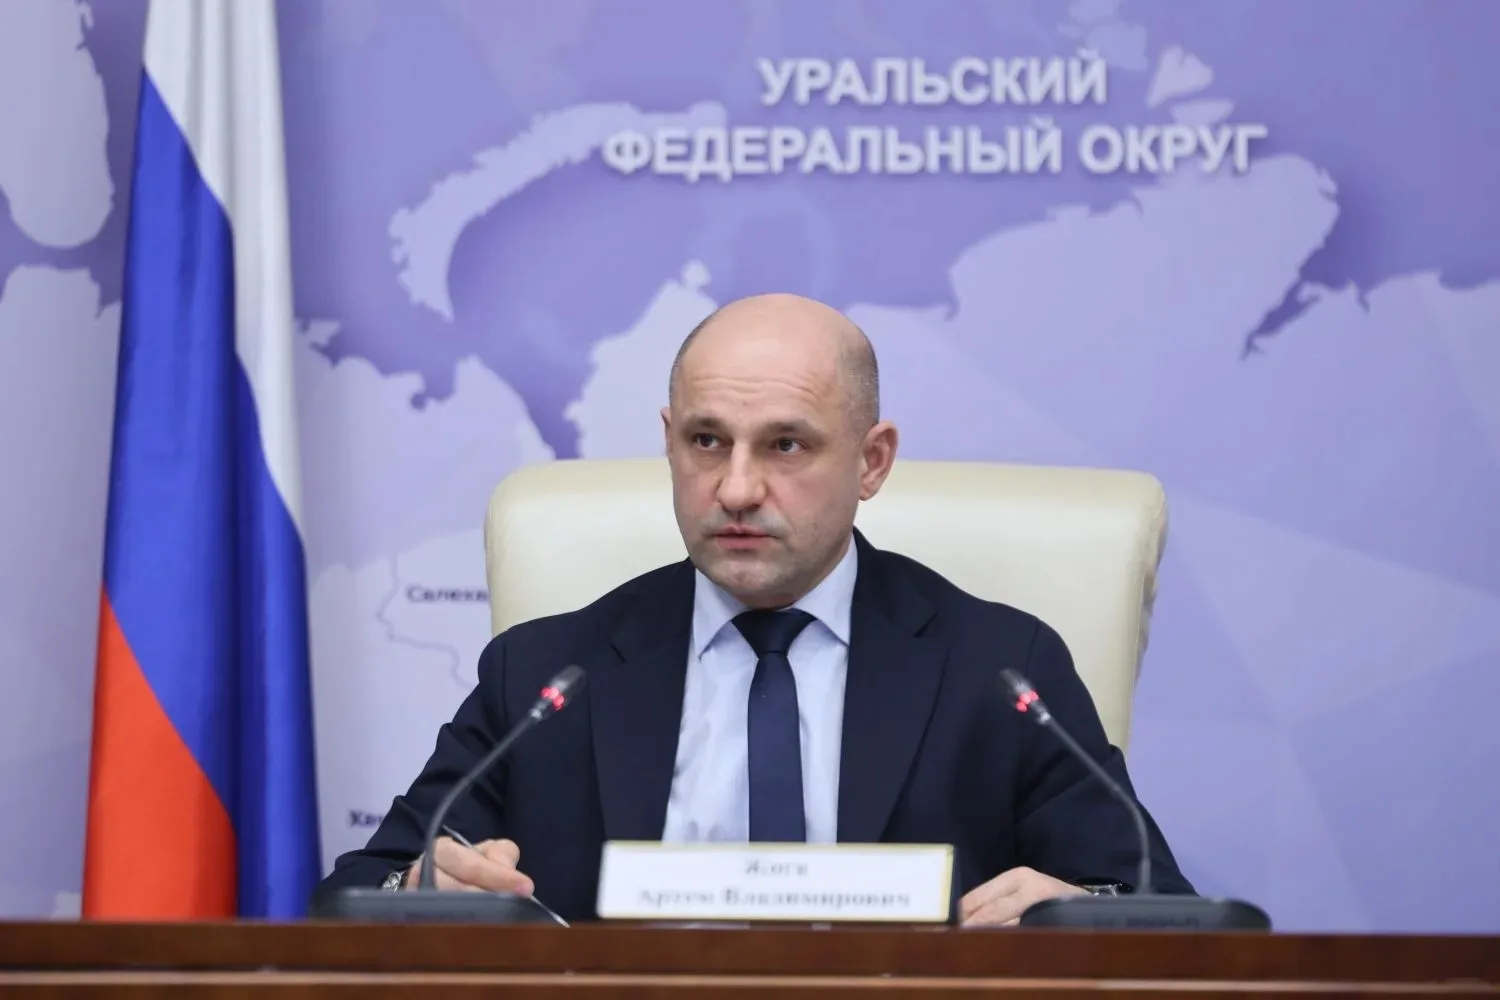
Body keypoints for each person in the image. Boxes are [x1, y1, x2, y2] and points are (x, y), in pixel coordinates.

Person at [315, 293, 1194, 924]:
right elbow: (356, 893)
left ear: (872, 462)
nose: (736, 488)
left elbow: (1165, 912)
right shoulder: (547, 674)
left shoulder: (999, 669)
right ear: (669, 443)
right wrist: (421, 892)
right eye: (707, 441)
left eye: (786, 445)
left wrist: (1076, 916)